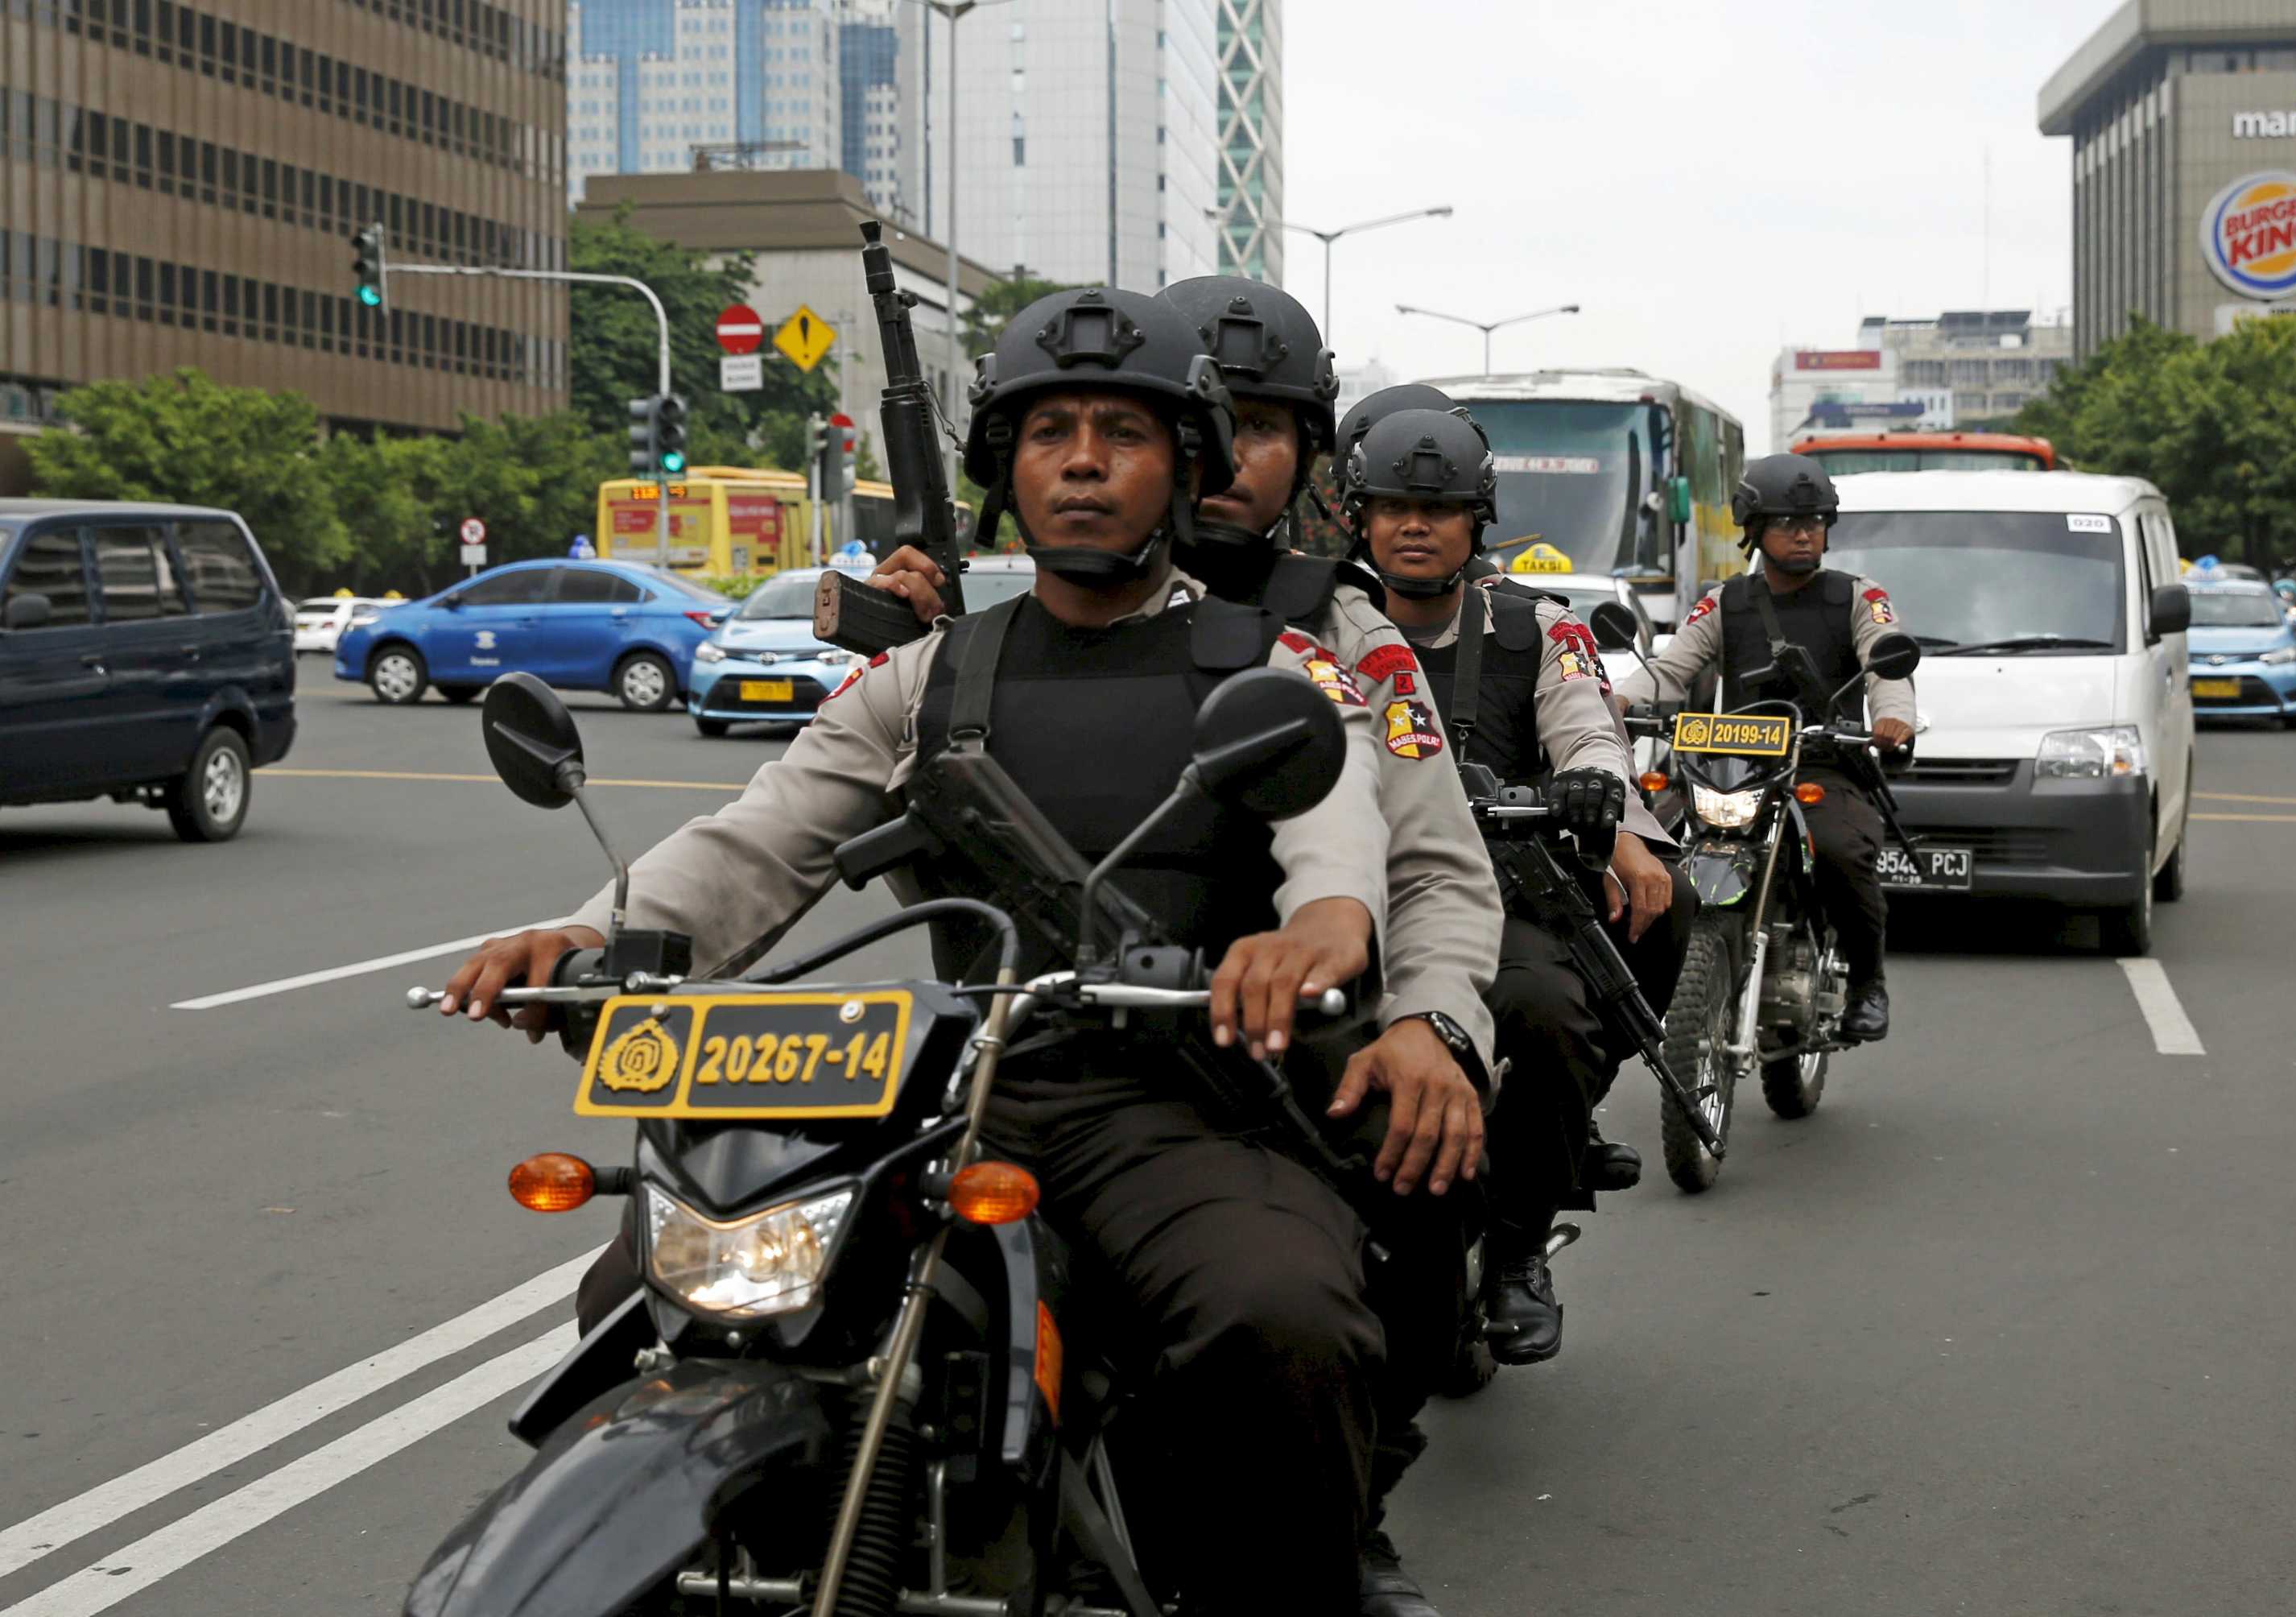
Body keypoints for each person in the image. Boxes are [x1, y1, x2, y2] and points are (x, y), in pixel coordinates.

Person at [436, 287, 1482, 1615]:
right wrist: (586, 934)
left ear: (1188, 467)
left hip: (1172, 1097)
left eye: (1122, 431)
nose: (1084, 459)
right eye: (1049, 431)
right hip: (956, 1077)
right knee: (651, 1283)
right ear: (1005, 470)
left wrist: (1324, 928)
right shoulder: (930, 674)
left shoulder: (1274, 655)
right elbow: (759, 838)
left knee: (1279, 1315)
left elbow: (1327, 816)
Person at [873, 275, 1503, 1617]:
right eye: (1055, 435)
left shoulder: (1333, 633)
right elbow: (812, 810)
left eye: (1260, 425)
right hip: (997, 1054)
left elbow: (1420, 864)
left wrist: (1425, 1017)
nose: (1089, 463)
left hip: (1254, 1047)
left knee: (1345, 1245)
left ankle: (1339, 1501)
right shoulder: (980, 635)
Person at [1344, 403, 1695, 1368]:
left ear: (1476, 521)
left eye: (1439, 507)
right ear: (1357, 517)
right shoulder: (1321, 624)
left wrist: (1610, 810)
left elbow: (1586, 727)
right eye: (1394, 507)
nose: (1415, 525)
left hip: (1497, 890)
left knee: (1551, 1009)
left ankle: (1516, 1241)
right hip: (1341, 890)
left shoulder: (1536, 626)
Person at [1615, 451, 1912, 1041]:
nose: (1803, 533)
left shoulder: (1857, 596)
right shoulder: (1726, 602)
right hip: (1732, 765)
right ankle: (1641, 987)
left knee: (1838, 851)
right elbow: (1671, 667)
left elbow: (1888, 661)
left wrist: (1893, 718)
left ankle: (1867, 983)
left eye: (1814, 521)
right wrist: (1613, 706)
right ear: (1754, 529)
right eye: (1785, 522)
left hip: (1821, 764)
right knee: (1656, 844)